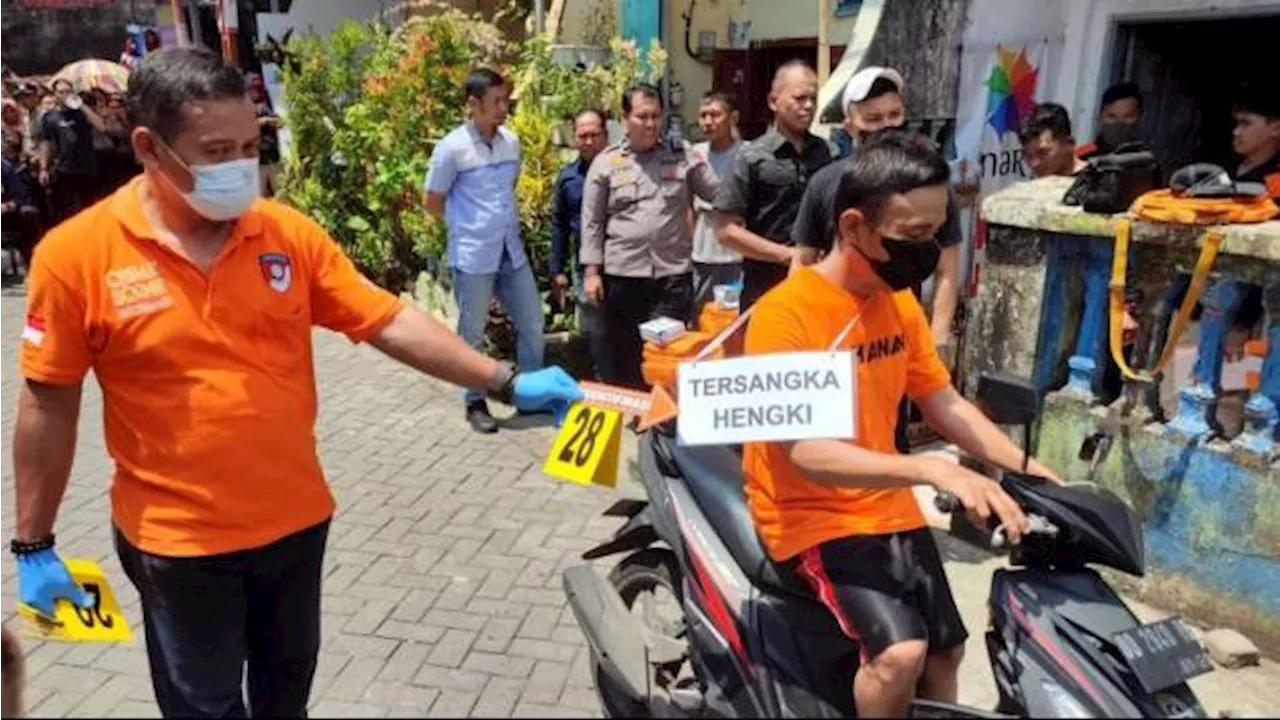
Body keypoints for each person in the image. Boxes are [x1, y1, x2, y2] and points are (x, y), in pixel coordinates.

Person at [11, 48, 582, 719]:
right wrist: (34, 541)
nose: (239, 167)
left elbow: (387, 319)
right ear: (148, 146)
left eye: (251, 145)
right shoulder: (77, 255)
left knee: (286, 704)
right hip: (178, 546)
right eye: (216, 149)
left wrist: (504, 379)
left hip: (295, 529)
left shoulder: (284, 234)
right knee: (204, 707)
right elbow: (49, 401)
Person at [743, 133, 1058, 719]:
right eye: (912, 235)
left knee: (949, 650)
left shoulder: (898, 303)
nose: (930, 250)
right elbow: (805, 452)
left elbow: (945, 404)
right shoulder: (786, 315)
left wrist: (1029, 471)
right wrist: (930, 468)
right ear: (855, 227)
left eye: (936, 232)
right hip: (809, 512)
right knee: (900, 654)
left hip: (881, 502)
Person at [792, 67, 963, 370]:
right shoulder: (825, 182)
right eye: (872, 119)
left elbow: (947, 269)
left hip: (898, 337)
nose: (886, 126)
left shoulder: (931, 187)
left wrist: (938, 339)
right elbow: (803, 262)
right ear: (849, 124)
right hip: (833, 337)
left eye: (894, 115)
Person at [425, 68, 547, 433]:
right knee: (472, 332)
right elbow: (432, 201)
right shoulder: (451, 149)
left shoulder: (511, 142)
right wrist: (467, 225)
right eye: (496, 101)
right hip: (474, 254)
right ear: (472, 104)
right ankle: (475, 401)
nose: (504, 107)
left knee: (532, 322)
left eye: (506, 100)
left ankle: (530, 395)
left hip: (511, 250)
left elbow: (508, 186)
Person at [580, 84, 720, 389]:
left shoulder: (682, 154)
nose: (651, 124)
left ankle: (662, 411)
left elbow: (719, 193)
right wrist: (591, 273)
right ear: (624, 118)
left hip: (671, 274)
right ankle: (636, 408)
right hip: (623, 275)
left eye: (656, 116)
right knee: (626, 348)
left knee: (667, 349)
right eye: (642, 116)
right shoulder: (606, 162)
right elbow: (591, 222)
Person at [714, 61, 831, 312]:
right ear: (773, 101)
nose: (808, 106)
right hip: (766, 287)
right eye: (799, 98)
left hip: (821, 286)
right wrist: (789, 256)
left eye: (813, 98)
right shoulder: (751, 157)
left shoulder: (827, 153)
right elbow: (726, 231)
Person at [549, 108, 610, 378]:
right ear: (574, 138)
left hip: (623, 262)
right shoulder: (568, 178)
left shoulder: (621, 169)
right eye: (582, 135)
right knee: (591, 329)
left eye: (594, 135)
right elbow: (559, 224)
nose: (588, 141)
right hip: (584, 264)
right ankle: (595, 380)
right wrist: (557, 269)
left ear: (606, 135)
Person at [691, 91, 744, 315]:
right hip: (701, 254)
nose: (708, 122)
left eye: (715, 115)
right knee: (702, 319)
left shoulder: (748, 155)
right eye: (703, 116)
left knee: (733, 319)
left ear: (733, 118)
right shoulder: (694, 155)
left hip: (737, 257)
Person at [38, 79, 105, 224]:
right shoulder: (49, 117)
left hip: (87, 167)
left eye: (68, 91)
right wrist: (43, 168)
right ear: (55, 94)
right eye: (61, 92)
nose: (64, 95)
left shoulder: (81, 113)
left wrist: (82, 105)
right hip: (64, 169)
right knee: (68, 211)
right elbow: (46, 143)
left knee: (91, 207)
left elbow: (102, 127)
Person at [0, 132, 40, 273]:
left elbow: (20, 197)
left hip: (4, 214)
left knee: (29, 213)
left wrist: (7, 206)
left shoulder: (5, 167)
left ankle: (33, 265)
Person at [1019, 103, 1088, 178]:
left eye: (1042, 152)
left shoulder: (1097, 182)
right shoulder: (1037, 186)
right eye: (1029, 156)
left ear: (1069, 144)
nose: (1034, 163)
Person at [247, 72, 281, 197]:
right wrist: (263, 121)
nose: (256, 91)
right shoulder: (245, 106)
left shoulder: (266, 103)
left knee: (279, 190)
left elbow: (278, 121)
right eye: (253, 88)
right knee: (259, 194)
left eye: (258, 88)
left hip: (272, 153)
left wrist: (270, 120)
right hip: (257, 157)